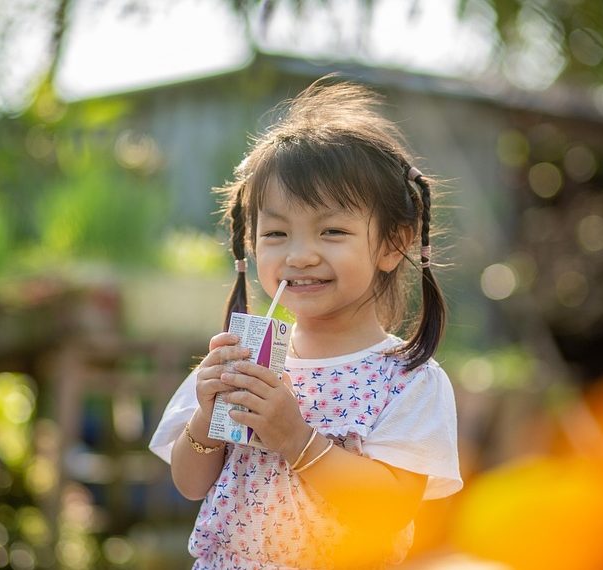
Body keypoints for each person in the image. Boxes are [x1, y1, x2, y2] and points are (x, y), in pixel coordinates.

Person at [150, 76, 462, 569]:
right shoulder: (242, 360)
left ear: (391, 242)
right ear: (250, 243)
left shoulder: (408, 381)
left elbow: (388, 509)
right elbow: (190, 485)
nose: (299, 255)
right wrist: (207, 418)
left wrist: (296, 439)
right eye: (276, 233)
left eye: (332, 230)